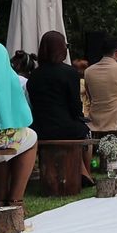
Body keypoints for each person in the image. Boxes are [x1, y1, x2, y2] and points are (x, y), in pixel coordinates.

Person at [27, 31, 95, 185]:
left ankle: (82, 172)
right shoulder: (69, 72)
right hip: (64, 126)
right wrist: (78, 116)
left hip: (40, 128)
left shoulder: (34, 75)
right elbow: (75, 105)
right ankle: (86, 173)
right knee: (85, 131)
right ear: (61, 48)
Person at [0, 5, 37, 211]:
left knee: (0, 148)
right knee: (30, 138)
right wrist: (6, 124)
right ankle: (14, 202)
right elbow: (0, 90)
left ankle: (0, 200)